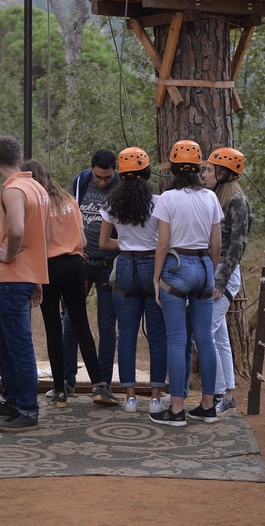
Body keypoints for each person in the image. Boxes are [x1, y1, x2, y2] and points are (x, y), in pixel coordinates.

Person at [21, 159, 113, 408]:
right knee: (81, 323)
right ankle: (99, 385)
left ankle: (60, 390)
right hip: (75, 265)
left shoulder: (36, 205)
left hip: (49, 267)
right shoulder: (71, 202)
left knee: (53, 327)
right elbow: (82, 239)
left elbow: (37, 242)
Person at [149, 140, 223, 427]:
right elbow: (216, 242)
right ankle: (207, 405)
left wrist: (156, 277)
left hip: (177, 267)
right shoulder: (210, 198)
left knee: (177, 339)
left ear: (174, 170)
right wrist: (210, 271)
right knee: (205, 339)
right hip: (204, 265)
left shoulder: (167, 198)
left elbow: (163, 242)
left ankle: (177, 408)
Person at [0, 135, 50, 433]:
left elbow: (19, 230)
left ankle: (27, 410)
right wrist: (36, 277)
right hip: (26, 276)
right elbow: (41, 236)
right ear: (20, 159)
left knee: (19, 346)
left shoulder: (13, 189)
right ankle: (12, 400)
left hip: (14, 278)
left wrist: (10, 255)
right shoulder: (36, 187)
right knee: (3, 342)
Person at [99, 147, 167, 413]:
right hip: (153, 266)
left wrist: (127, 243)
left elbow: (104, 243)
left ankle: (129, 396)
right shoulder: (160, 203)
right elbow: (164, 241)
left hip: (126, 266)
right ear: (147, 173)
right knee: (157, 336)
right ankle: (155, 397)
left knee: (125, 334)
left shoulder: (111, 204)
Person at [61, 149, 120, 403]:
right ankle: (66, 381)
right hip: (80, 262)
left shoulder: (123, 186)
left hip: (109, 264)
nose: (102, 182)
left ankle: (102, 384)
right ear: (91, 169)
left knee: (107, 325)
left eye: (107, 178)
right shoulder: (80, 181)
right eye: (98, 177)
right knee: (70, 321)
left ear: (115, 171)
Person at [199, 147, 253, 417]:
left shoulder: (237, 201)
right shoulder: (216, 197)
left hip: (225, 275)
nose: (204, 173)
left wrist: (220, 282)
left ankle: (219, 392)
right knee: (219, 336)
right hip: (213, 270)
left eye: (209, 169)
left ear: (223, 172)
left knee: (206, 331)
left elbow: (237, 246)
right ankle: (228, 393)